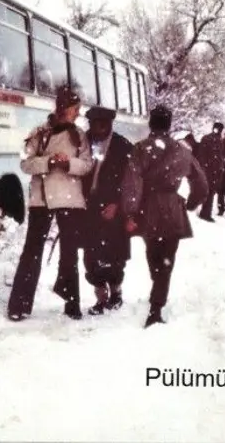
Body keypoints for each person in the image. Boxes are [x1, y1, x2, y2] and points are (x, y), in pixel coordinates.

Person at [7, 86, 94, 321]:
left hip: (70, 199)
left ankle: (72, 304)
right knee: (32, 252)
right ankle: (19, 305)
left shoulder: (79, 136)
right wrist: (48, 162)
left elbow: (87, 165)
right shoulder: (40, 133)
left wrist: (68, 164)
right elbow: (25, 163)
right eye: (75, 109)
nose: (77, 113)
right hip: (42, 200)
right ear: (63, 109)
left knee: (69, 254)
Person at [120, 105, 209, 328]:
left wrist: (130, 211)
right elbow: (201, 183)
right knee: (167, 258)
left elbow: (132, 183)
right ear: (169, 125)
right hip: (173, 209)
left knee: (153, 253)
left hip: (148, 208)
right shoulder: (183, 151)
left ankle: (156, 296)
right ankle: (157, 302)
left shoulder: (141, 148)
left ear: (151, 123)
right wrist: (192, 203)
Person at [81, 106, 135, 316]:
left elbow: (132, 182)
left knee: (114, 254)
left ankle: (116, 293)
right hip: (88, 207)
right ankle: (100, 297)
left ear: (110, 125)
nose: (98, 129)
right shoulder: (83, 142)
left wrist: (118, 204)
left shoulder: (123, 146)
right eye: (94, 125)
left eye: (103, 125)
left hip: (113, 207)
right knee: (91, 255)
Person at [196, 122, 225, 222]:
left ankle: (206, 212)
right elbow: (202, 155)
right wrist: (204, 167)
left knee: (211, 191)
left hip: (215, 170)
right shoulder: (208, 139)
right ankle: (205, 213)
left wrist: (220, 167)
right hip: (209, 170)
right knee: (209, 191)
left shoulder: (218, 140)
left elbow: (220, 155)